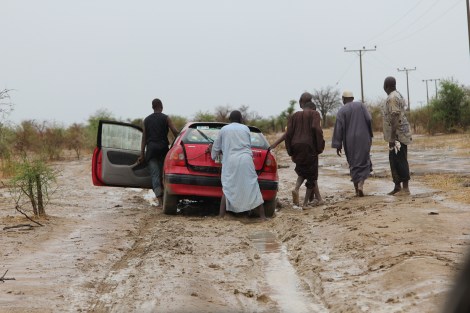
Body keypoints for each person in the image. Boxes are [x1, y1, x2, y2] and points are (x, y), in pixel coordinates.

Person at [209, 110, 266, 220]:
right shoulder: (246, 129)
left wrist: (212, 152)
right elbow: (247, 145)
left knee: (228, 187)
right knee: (252, 186)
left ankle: (221, 216)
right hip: (246, 160)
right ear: (240, 119)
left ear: (229, 120)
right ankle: (262, 217)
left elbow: (216, 147)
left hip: (231, 161)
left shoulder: (224, 129)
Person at [331, 90, 373, 197]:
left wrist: (338, 145)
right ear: (353, 98)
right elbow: (369, 119)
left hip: (349, 140)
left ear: (343, 99)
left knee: (353, 162)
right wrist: (370, 134)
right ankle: (361, 185)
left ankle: (356, 189)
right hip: (363, 137)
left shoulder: (341, 111)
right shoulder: (361, 106)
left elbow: (338, 128)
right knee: (364, 160)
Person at [138, 98, 179, 206]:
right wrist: (180, 143)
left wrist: (142, 154)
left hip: (151, 151)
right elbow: (174, 131)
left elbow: (144, 138)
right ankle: (167, 198)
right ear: (162, 106)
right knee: (164, 175)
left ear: (152, 107)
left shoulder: (146, 120)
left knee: (155, 175)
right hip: (163, 150)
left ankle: (160, 201)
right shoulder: (166, 118)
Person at [285, 100, 325, 207]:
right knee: (312, 175)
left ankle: (296, 188)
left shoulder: (294, 115)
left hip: (296, 146)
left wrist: (290, 151)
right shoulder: (314, 114)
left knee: (302, 171)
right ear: (313, 108)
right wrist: (320, 146)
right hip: (309, 147)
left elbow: (288, 133)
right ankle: (305, 203)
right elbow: (316, 128)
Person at [383, 76, 412, 195]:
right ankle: (397, 187)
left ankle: (405, 188)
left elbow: (394, 117)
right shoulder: (397, 95)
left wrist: (392, 137)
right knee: (394, 160)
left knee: (400, 160)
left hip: (398, 135)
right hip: (399, 134)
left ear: (386, 86)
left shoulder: (392, 98)